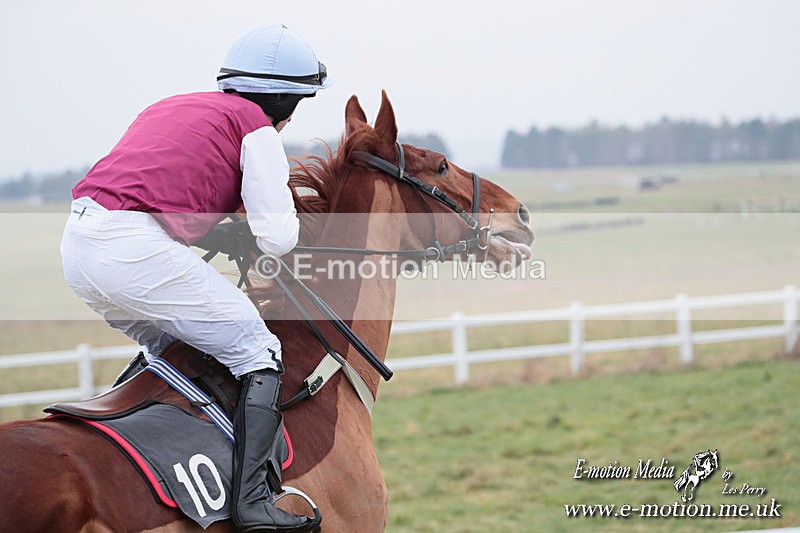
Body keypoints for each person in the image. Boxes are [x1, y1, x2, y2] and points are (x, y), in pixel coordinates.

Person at [60, 24, 331, 533]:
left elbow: (161, 185)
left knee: (174, 351)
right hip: (135, 251)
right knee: (258, 350)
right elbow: (277, 238)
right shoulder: (257, 129)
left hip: (78, 245)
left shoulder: (172, 105)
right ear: (285, 98)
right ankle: (254, 504)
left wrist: (220, 230)